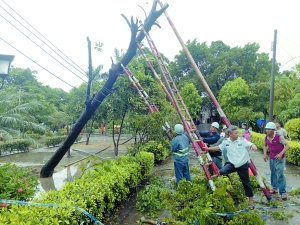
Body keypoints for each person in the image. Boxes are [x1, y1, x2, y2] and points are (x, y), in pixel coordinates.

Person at [205, 125, 257, 209]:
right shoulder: (226, 142)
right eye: (235, 133)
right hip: (232, 164)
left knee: (246, 183)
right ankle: (230, 188)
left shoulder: (242, 140)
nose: (237, 134)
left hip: (242, 164)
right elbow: (218, 148)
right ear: (230, 134)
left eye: (237, 133)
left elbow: (250, 144)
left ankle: (251, 201)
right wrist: (208, 149)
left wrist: (253, 146)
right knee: (222, 172)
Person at [263, 122, 290, 200]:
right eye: (266, 129)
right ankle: (274, 188)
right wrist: (265, 154)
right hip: (272, 158)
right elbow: (265, 145)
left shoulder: (279, 137)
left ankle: (283, 192)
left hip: (280, 158)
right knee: (273, 172)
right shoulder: (266, 137)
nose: (266, 131)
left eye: (268, 129)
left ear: (272, 130)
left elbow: (287, 146)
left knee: (280, 173)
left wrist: (281, 154)